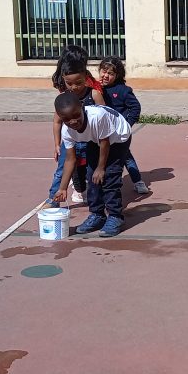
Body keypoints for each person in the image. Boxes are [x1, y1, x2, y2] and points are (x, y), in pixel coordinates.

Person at [51, 92, 131, 237]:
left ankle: (115, 216)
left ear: (82, 107)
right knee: (91, 177)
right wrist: (62, 188)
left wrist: (101, 168)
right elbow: (70, 160)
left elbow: (105, 142)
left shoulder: (98, 117)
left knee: (109, 176)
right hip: (96, 139)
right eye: (66, 119)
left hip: (118, 137)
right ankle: (97, 214)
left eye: (76, 115)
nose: (73, 122)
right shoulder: (67, 131)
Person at [45, 46, 105, 208]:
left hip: (91, 141)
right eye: (69, 83)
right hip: (71, 141)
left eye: (78, 83)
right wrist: (57, 144)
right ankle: (53, 200)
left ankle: (98, 202)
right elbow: (57, 121)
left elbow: (105, 120)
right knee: (62, 170)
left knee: (93, 171)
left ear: (85, 77)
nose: (74, 87)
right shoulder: (64, 98)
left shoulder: (94, 94)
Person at [98, 57, 150, 195]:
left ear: (117, 75)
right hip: (102, 132)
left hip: (119, 132)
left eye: (110, 73)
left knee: (126, 157)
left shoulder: (123, 90)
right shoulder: (96, 89)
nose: (106, 76)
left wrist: (127, 124)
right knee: (100, 155)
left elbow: (135, 107)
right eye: (104, 71)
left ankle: (138, 181)